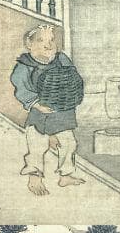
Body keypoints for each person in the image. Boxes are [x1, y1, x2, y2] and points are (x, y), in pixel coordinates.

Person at [10, 24, 86, 196]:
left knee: (69, 143)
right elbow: (21, 88)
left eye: (51, 40)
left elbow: (73, 77)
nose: (48, 44)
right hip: (40, 114)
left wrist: (70, 93)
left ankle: (66, 176)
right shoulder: (25, 66)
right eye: (41, 40)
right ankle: (34, 178)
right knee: (37, 145)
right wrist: (36, 104)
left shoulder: (62, 59)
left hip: (63, 112)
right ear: (29, 44)